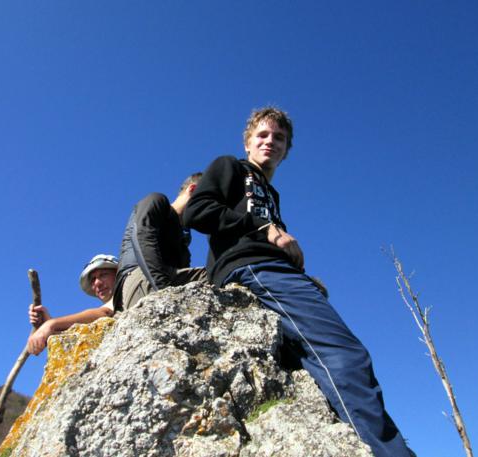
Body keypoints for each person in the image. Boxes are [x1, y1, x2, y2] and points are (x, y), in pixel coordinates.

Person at [183, 107, 413, 457]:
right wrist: (265, 228)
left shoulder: (270, 195)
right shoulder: (231, 166)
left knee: (314, 367)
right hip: (253, 267)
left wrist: (299, 270)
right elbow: (197, 211)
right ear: (247, 143)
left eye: (279, 138)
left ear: (286, 150)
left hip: (273, 270)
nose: (270, 142)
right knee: (345, 354)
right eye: (262, 135)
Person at [113, 173, 207, 311]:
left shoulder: (183, 239)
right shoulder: (158, 201)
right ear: (192, 190)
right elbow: (142, 237)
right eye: (207, 202)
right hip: (140, 276)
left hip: (163, 279)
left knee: (214, 275)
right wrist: (164, 291)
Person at [27, 254, 118, 355]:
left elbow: (104, 312)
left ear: (118, 275)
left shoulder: (122, 298)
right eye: (93, 279)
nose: (97, 283)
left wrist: (51, 324)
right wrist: (43, 325)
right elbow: (35, 349)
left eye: (103, 275)